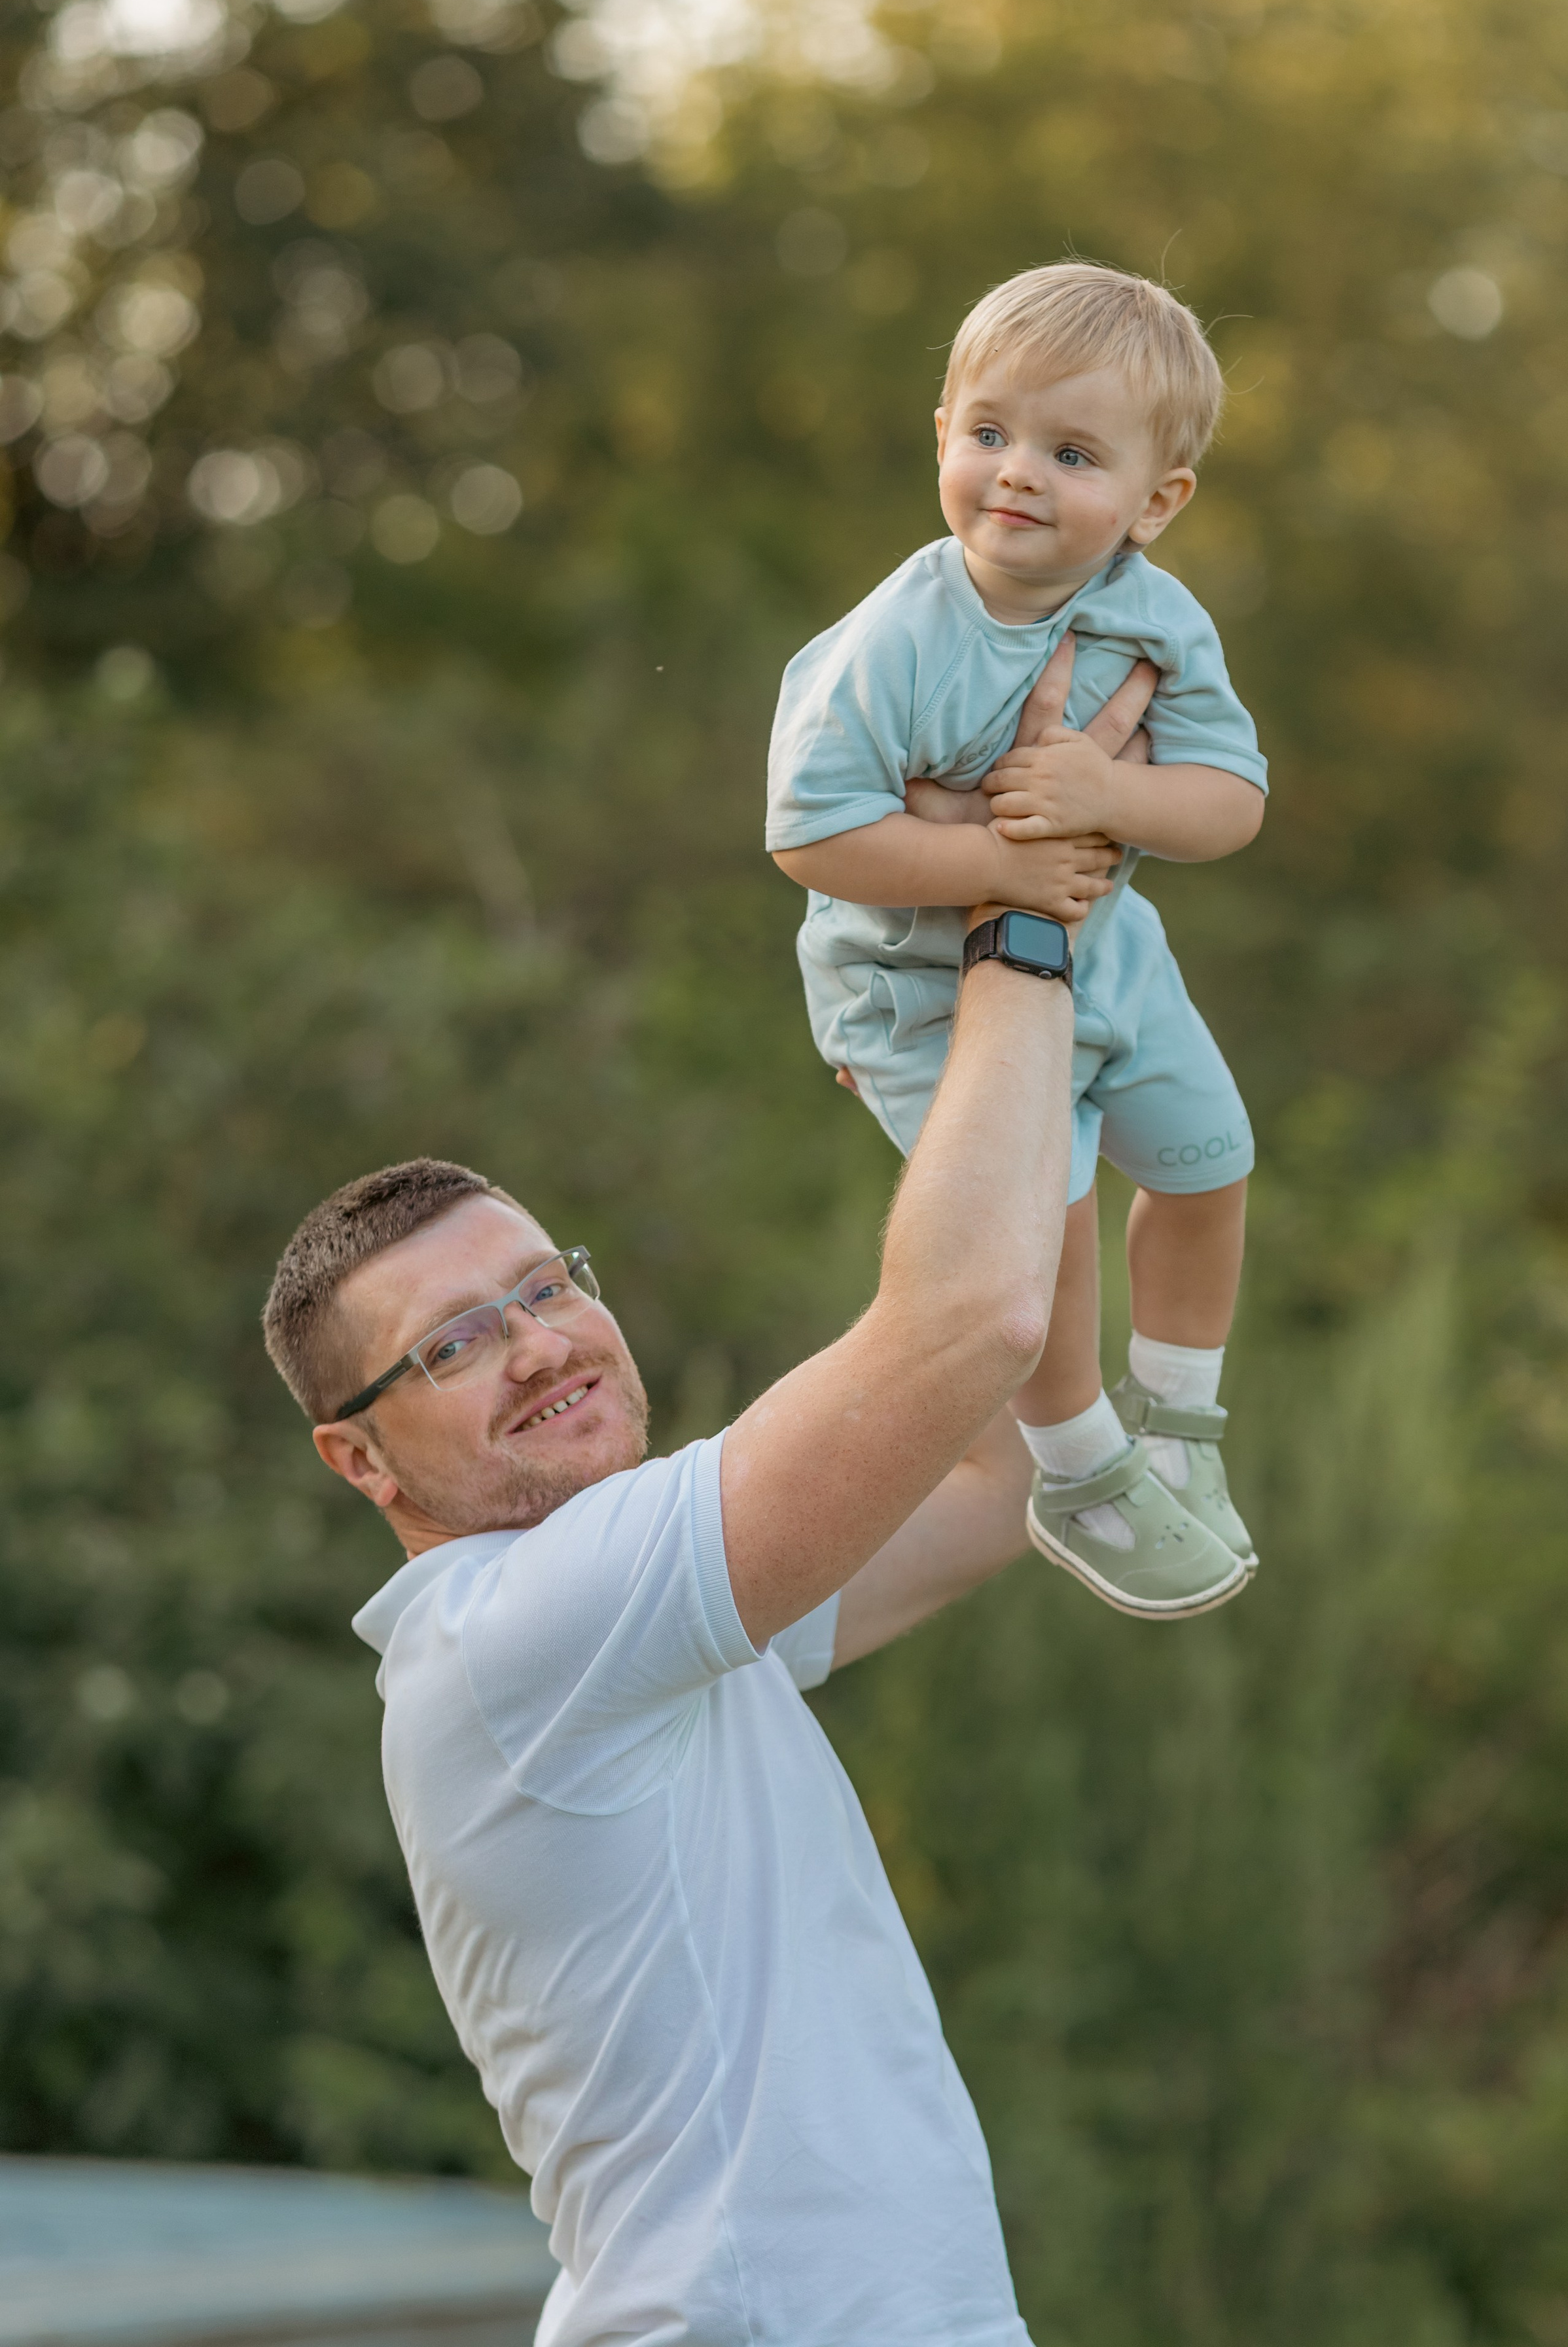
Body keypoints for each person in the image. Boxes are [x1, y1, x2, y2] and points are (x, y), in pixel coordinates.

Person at [263, 903, 1091, 2346]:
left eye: (545, 1286)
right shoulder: (521, 1623)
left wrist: (1033, 1074)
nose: (538, 1345)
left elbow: (1000, 1470)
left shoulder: (645, 1632)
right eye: (453, 1344)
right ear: (362, 1460)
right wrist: (1019, 943)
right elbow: (974, 1325)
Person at [767, 260, 1268, 1621]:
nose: (1017, 474)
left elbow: (1230, 798)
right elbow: (810, 836)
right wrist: (997, 861)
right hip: (918, 990)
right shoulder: (896, 640)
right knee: (1033, 1234)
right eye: (987, 433)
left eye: (1070, 451)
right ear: (939, 432)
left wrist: (1112, 798)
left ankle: (1177, 1420)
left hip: (1109, 953)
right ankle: (1076, 1466)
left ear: (1155, 502)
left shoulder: (1157, 615)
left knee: (1208, 1163)